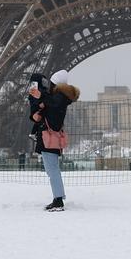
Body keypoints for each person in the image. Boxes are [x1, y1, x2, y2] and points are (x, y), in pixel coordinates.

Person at [30, 69, 78, 211]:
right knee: (52, 170)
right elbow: (47, 111)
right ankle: (58, 197)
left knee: (52, 170)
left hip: (49, 138)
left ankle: (58, 200)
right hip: (49, 137)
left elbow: (53, 109)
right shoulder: (57, 99)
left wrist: (41, 97)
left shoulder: (59, 99)